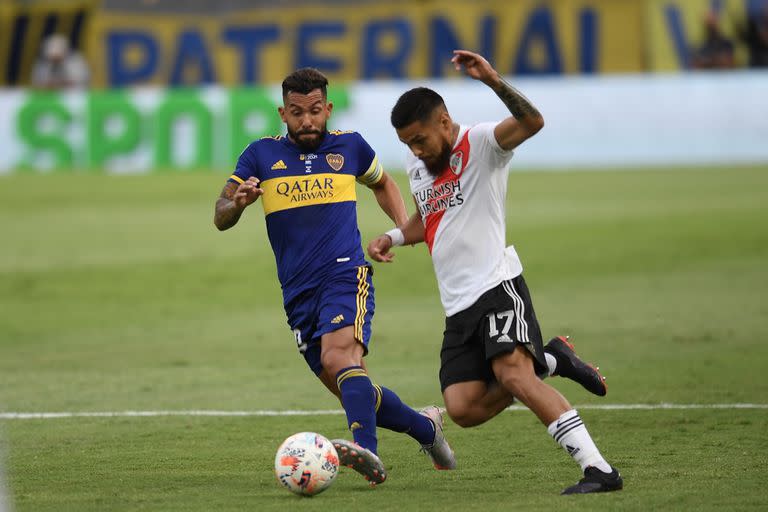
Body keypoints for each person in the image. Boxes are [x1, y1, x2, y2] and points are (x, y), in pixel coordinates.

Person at [367, 50, 623, 494]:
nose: (415, 150)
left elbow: (532, 122)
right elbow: (429, 217)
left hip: (497, 285)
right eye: (408, 143)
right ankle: (553, 359)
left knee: (513, 377)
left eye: (420, 139)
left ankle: (599, 470)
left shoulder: (482, 143)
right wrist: (393, 236)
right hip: (458, 304)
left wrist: (492, 80)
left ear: (445, 122)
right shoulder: (419, 166)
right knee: (463, 408)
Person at [213, 67, 456, 486]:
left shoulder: (351, 147)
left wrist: (402, 232)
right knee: (352, 387)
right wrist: (237, 203)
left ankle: (367, 454)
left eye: (314, 111)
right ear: (282, 113)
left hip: (346, 274)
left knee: (339, 358)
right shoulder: (259, 155)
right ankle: (426, 428)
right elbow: (220, 215)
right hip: (297, 293)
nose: (306, 120)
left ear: (327, 108)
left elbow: (383, 184)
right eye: (296, 112)